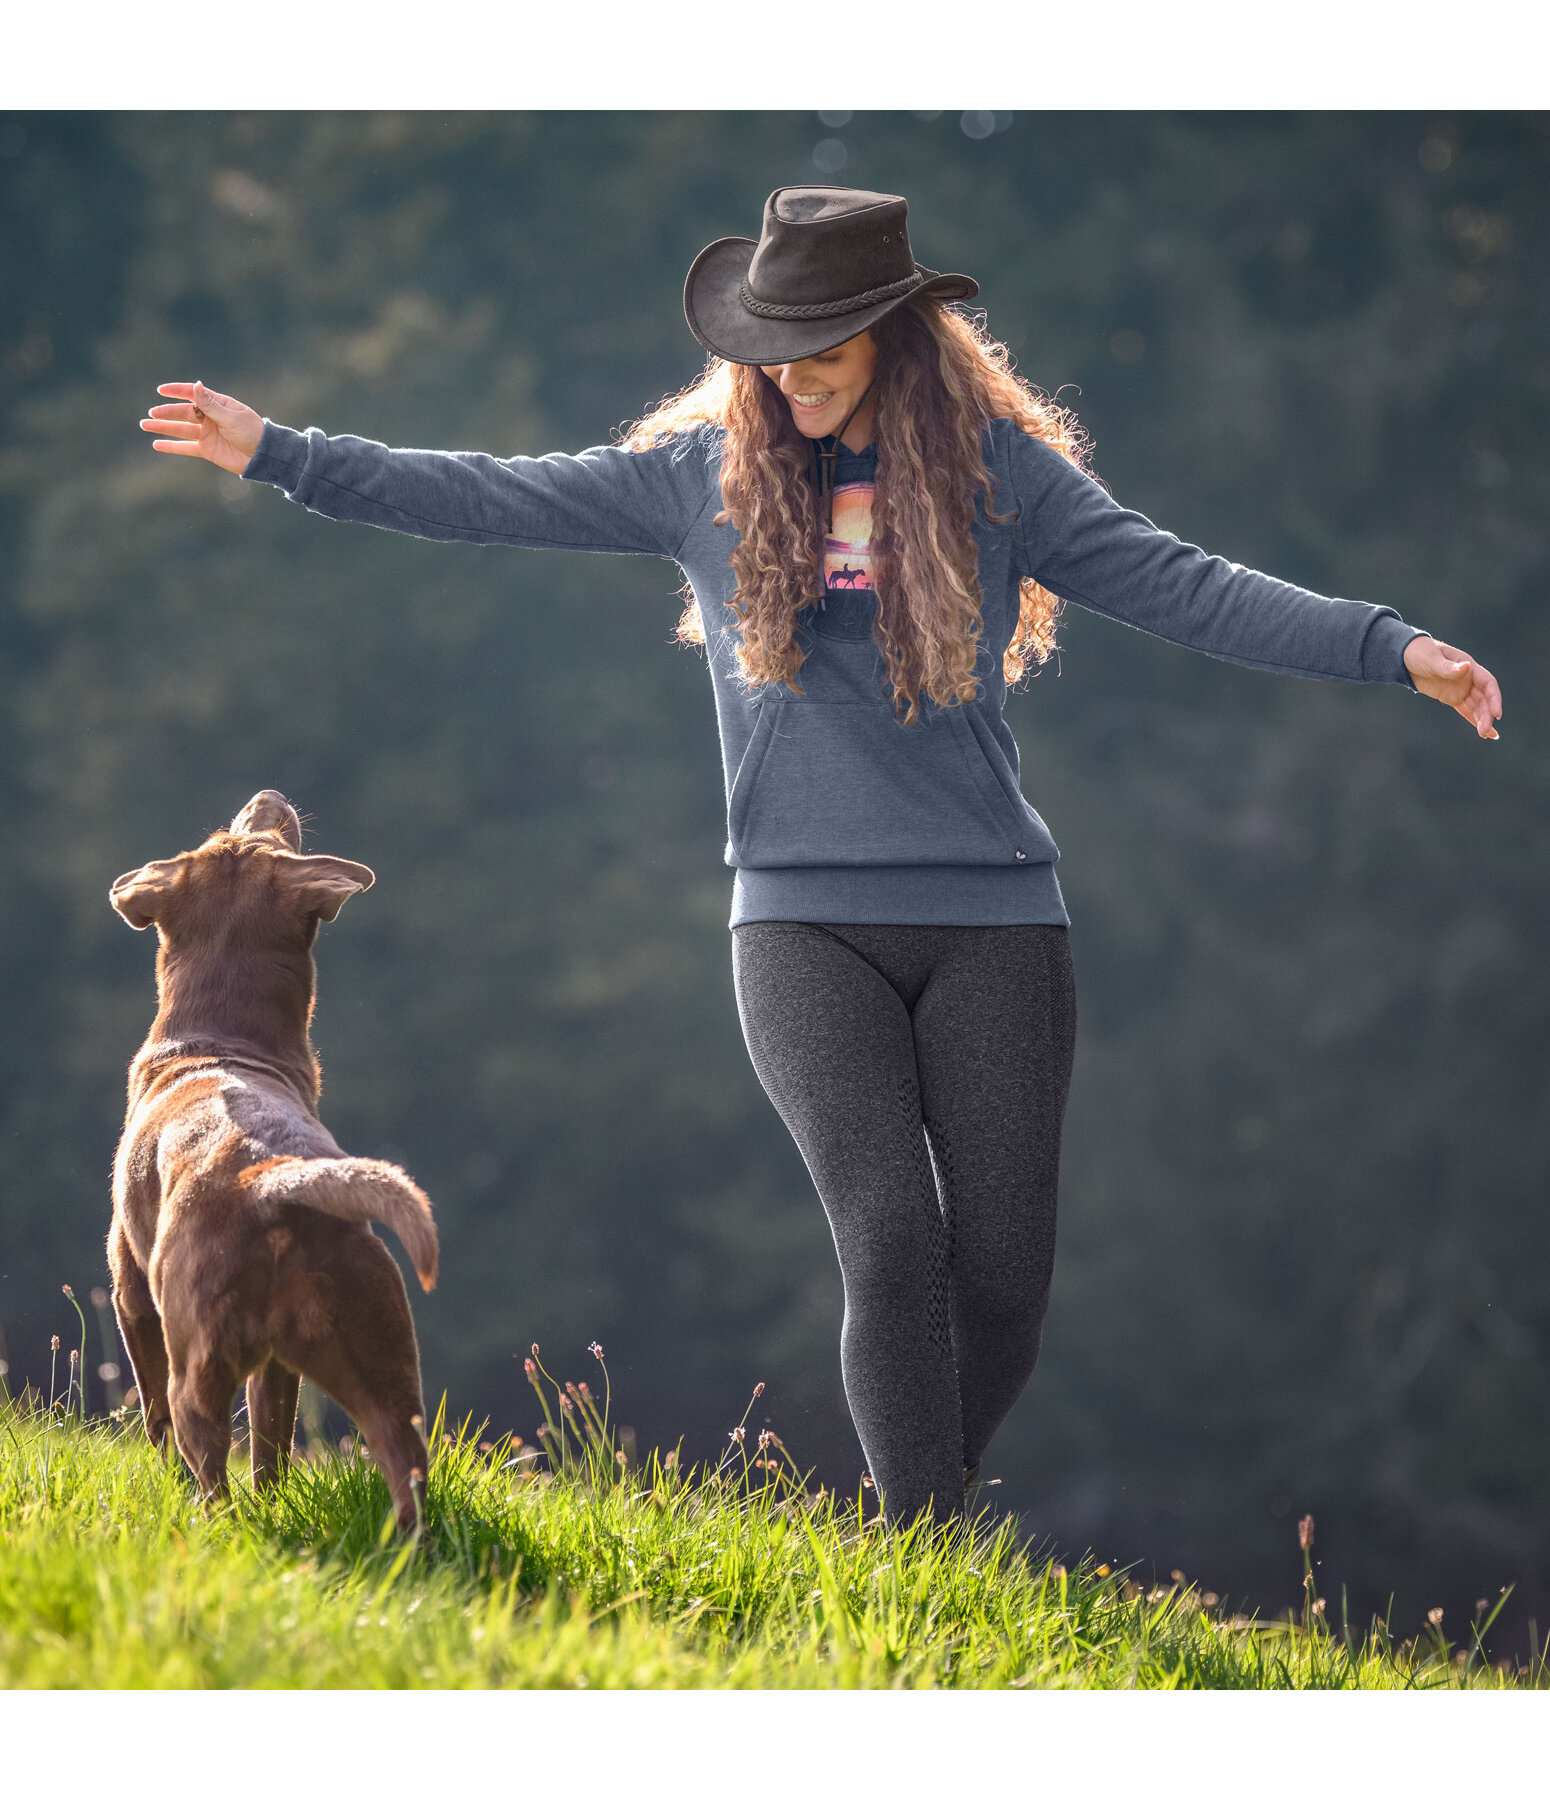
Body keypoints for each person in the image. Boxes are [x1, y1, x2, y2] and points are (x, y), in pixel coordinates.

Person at [142, 185, 1502, 1529]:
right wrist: (280, 450)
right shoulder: (700, 480)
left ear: (896, 344)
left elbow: (1184, 582)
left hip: (994, 924)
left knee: (1004, 1281)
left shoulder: (1000, 481)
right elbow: (490, 493)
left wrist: (1390, 648)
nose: (793, 374)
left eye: (825, 351)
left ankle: (917, 1524)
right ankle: (924, 1563)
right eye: (772, 350)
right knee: (892, 1242)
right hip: (800, 927)